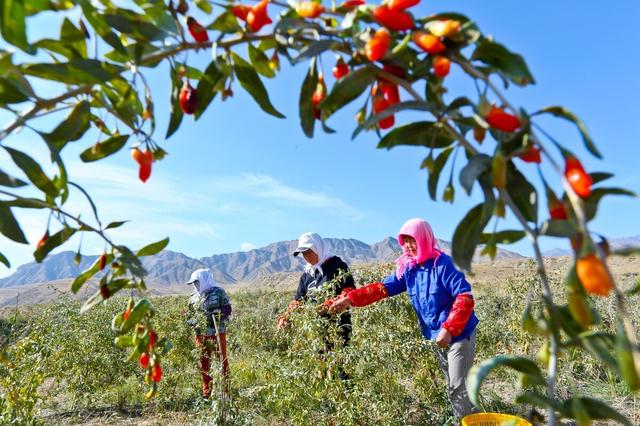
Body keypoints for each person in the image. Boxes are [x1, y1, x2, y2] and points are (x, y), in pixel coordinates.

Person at [328, 218, 479, 419]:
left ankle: (465, 421)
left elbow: (465, 297)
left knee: (456, 386)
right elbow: (382, 288)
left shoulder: (443, 265)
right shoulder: (409, 269)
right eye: (405, 241)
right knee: (455, 383)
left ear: (424, 239)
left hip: (459, 334)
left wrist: (449, 328)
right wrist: (350, 299)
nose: (408, 246)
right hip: (436, 335)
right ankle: (475, 418)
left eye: (413, 240)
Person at [277, 232, 356, 351]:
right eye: (303, 253)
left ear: (318, 248)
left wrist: (325, 307)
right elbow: (298, 301)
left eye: (309, 251)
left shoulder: (338, 266)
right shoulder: (306, 275)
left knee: (338, 366)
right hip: (316, 334)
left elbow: (349, 292)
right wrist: (286, 316)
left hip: (338, 332)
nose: (306, 256)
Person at [186, 268, 232, 399]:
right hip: (200, 335)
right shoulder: (193, 297)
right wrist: (191, 321)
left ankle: (226, 391)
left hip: (217, 332)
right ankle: (207, 392)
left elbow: (227, 309)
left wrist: (215, 315)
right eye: (194, 283)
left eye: (197, 282)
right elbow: (189, 315)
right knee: (204, 362)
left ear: (204, 280)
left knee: (222, 360)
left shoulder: (218, 292)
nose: (195, 285)